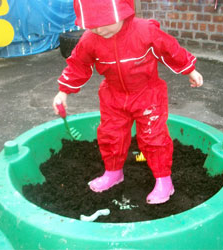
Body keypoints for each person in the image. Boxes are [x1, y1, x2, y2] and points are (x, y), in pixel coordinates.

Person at [53, 0, 203, 204]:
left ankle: (163, 180)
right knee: (110, 134)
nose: (99, 28)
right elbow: (78, 65)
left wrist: (189, 69)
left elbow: (169, 49)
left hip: (147, 94)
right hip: (113, 96)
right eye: (92, 24)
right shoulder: (91, 39)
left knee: (153, 137)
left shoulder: (144, 30)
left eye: (105, 21)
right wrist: (63, 92)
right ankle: (114, 172)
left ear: (123, 11)